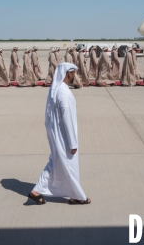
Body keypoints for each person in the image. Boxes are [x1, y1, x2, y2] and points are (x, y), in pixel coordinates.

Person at [28, 63, 91, 205]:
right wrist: (72, 143)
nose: (74, 75)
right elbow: (67, 118)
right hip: (64, 136)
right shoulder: (64, 92)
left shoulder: (55, 89)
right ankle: (78, 196)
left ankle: (37, 191)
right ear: (68, 74)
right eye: (73, 72)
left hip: (56, 133)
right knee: (69, 165)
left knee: (56, 162)